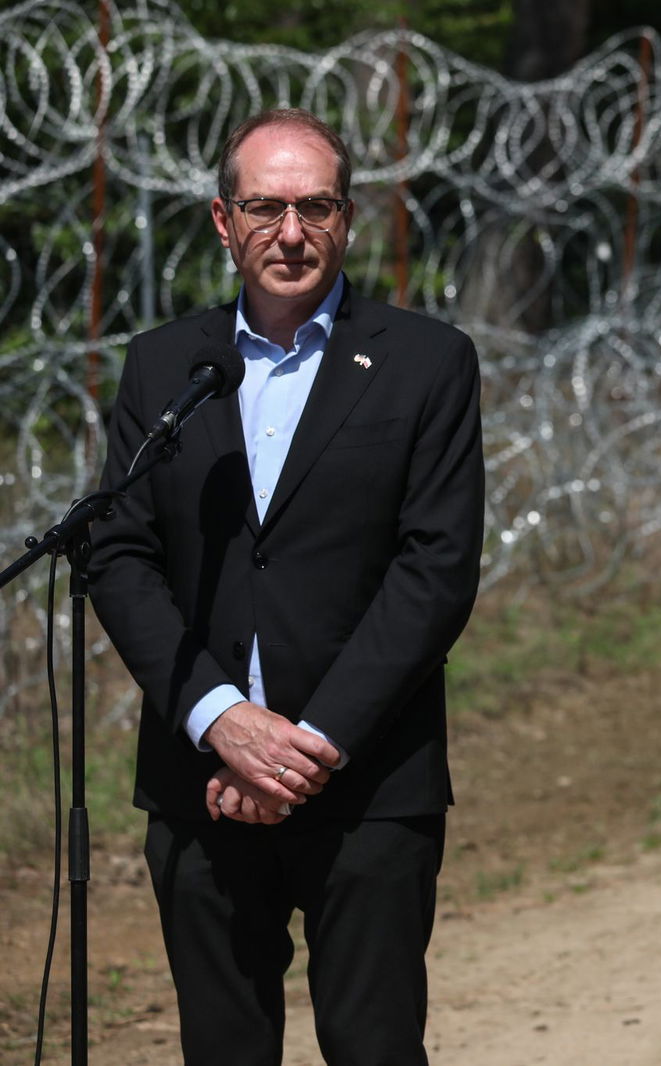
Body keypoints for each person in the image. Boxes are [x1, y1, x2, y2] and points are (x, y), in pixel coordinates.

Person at [88, 108, 484, 1065]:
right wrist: (220, 718)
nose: (291, 233)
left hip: (368, 783)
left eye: (314, 206)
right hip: (202, 785)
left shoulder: (426, 362)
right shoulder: (164, 365)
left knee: (374, 1047)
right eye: (265, 208)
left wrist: (308, 747)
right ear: (224, 221)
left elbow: (434, 571)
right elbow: (117, 551)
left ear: (348, 219)